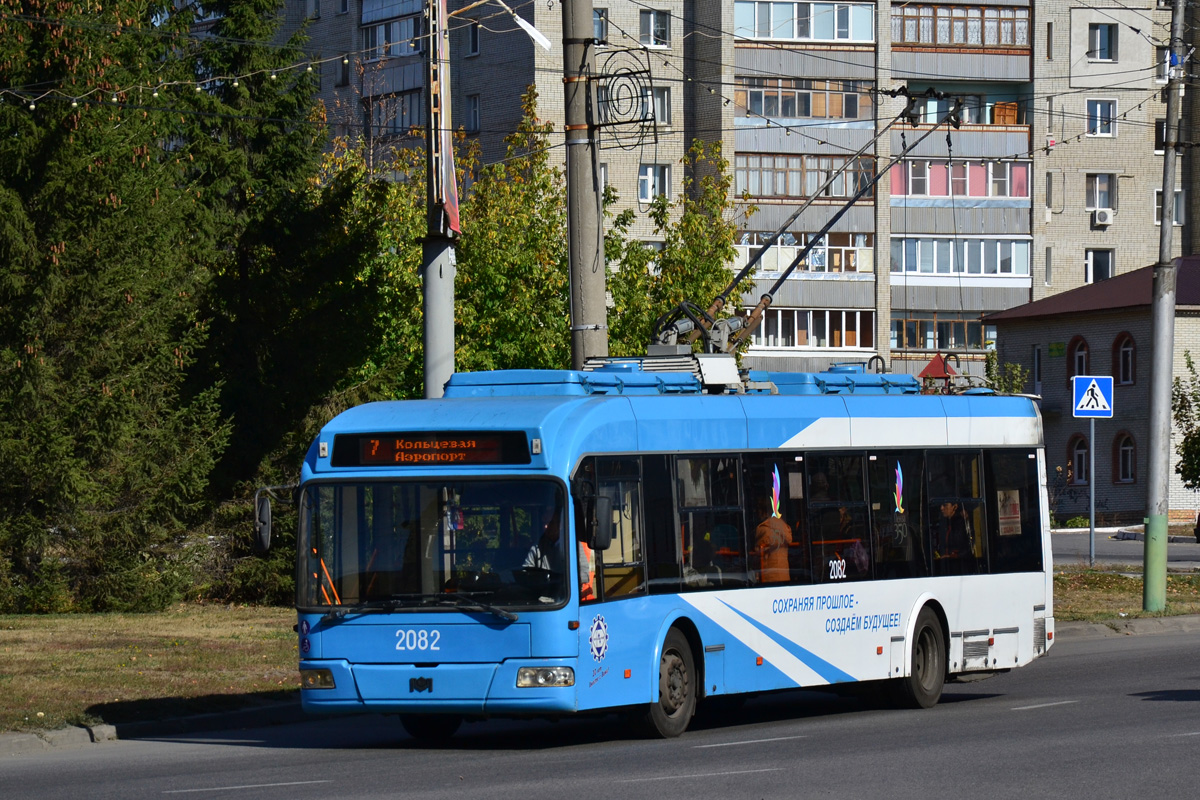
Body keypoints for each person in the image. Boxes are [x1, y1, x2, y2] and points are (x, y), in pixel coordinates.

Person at [754, 496, 792, 583]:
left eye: (758, 510)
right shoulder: (784, 526)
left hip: (769, 577)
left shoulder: (763, 528)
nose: (756, 512)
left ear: (762, 511)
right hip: (784, 576)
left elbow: (758, 554)